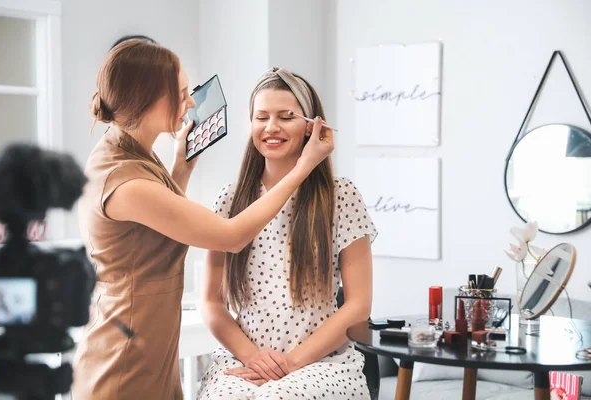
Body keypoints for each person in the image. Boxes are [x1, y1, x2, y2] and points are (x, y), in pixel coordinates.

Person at [72, 42, 334, 399]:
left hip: (148, 345)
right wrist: (304, 167)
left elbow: (156, 225)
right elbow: (231, 236)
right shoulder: (125, 179)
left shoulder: (131, 156)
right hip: (125, 360)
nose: (191, 103)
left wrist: (181, 166)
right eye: (182, 95)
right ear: (149, 98)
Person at [198, 67, 377, 400]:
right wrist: (253, 357)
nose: (271, 127)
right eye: (261, 117)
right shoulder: (229, 199)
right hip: (245, 358)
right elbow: (211, 301)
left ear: (312, 126)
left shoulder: (341, 197)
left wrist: (291, 363)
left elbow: (358, 306)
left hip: (323, 363)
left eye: (286, 116)